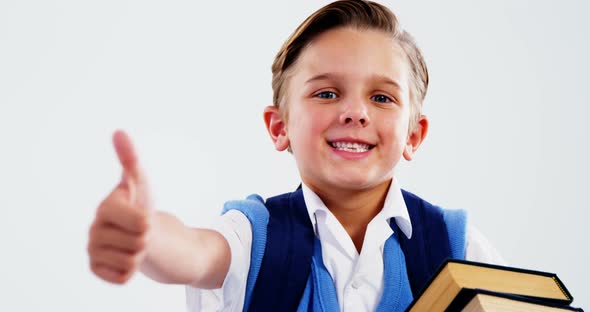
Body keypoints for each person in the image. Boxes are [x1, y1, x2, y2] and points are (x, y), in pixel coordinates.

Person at [87, 0, 504, 311]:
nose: (355, 112)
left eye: (381, 97)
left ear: (414, 135)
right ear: (279, 126)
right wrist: (145, 238)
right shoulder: (253, 237)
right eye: (326, 93)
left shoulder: (457, 246)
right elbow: (194, 252)